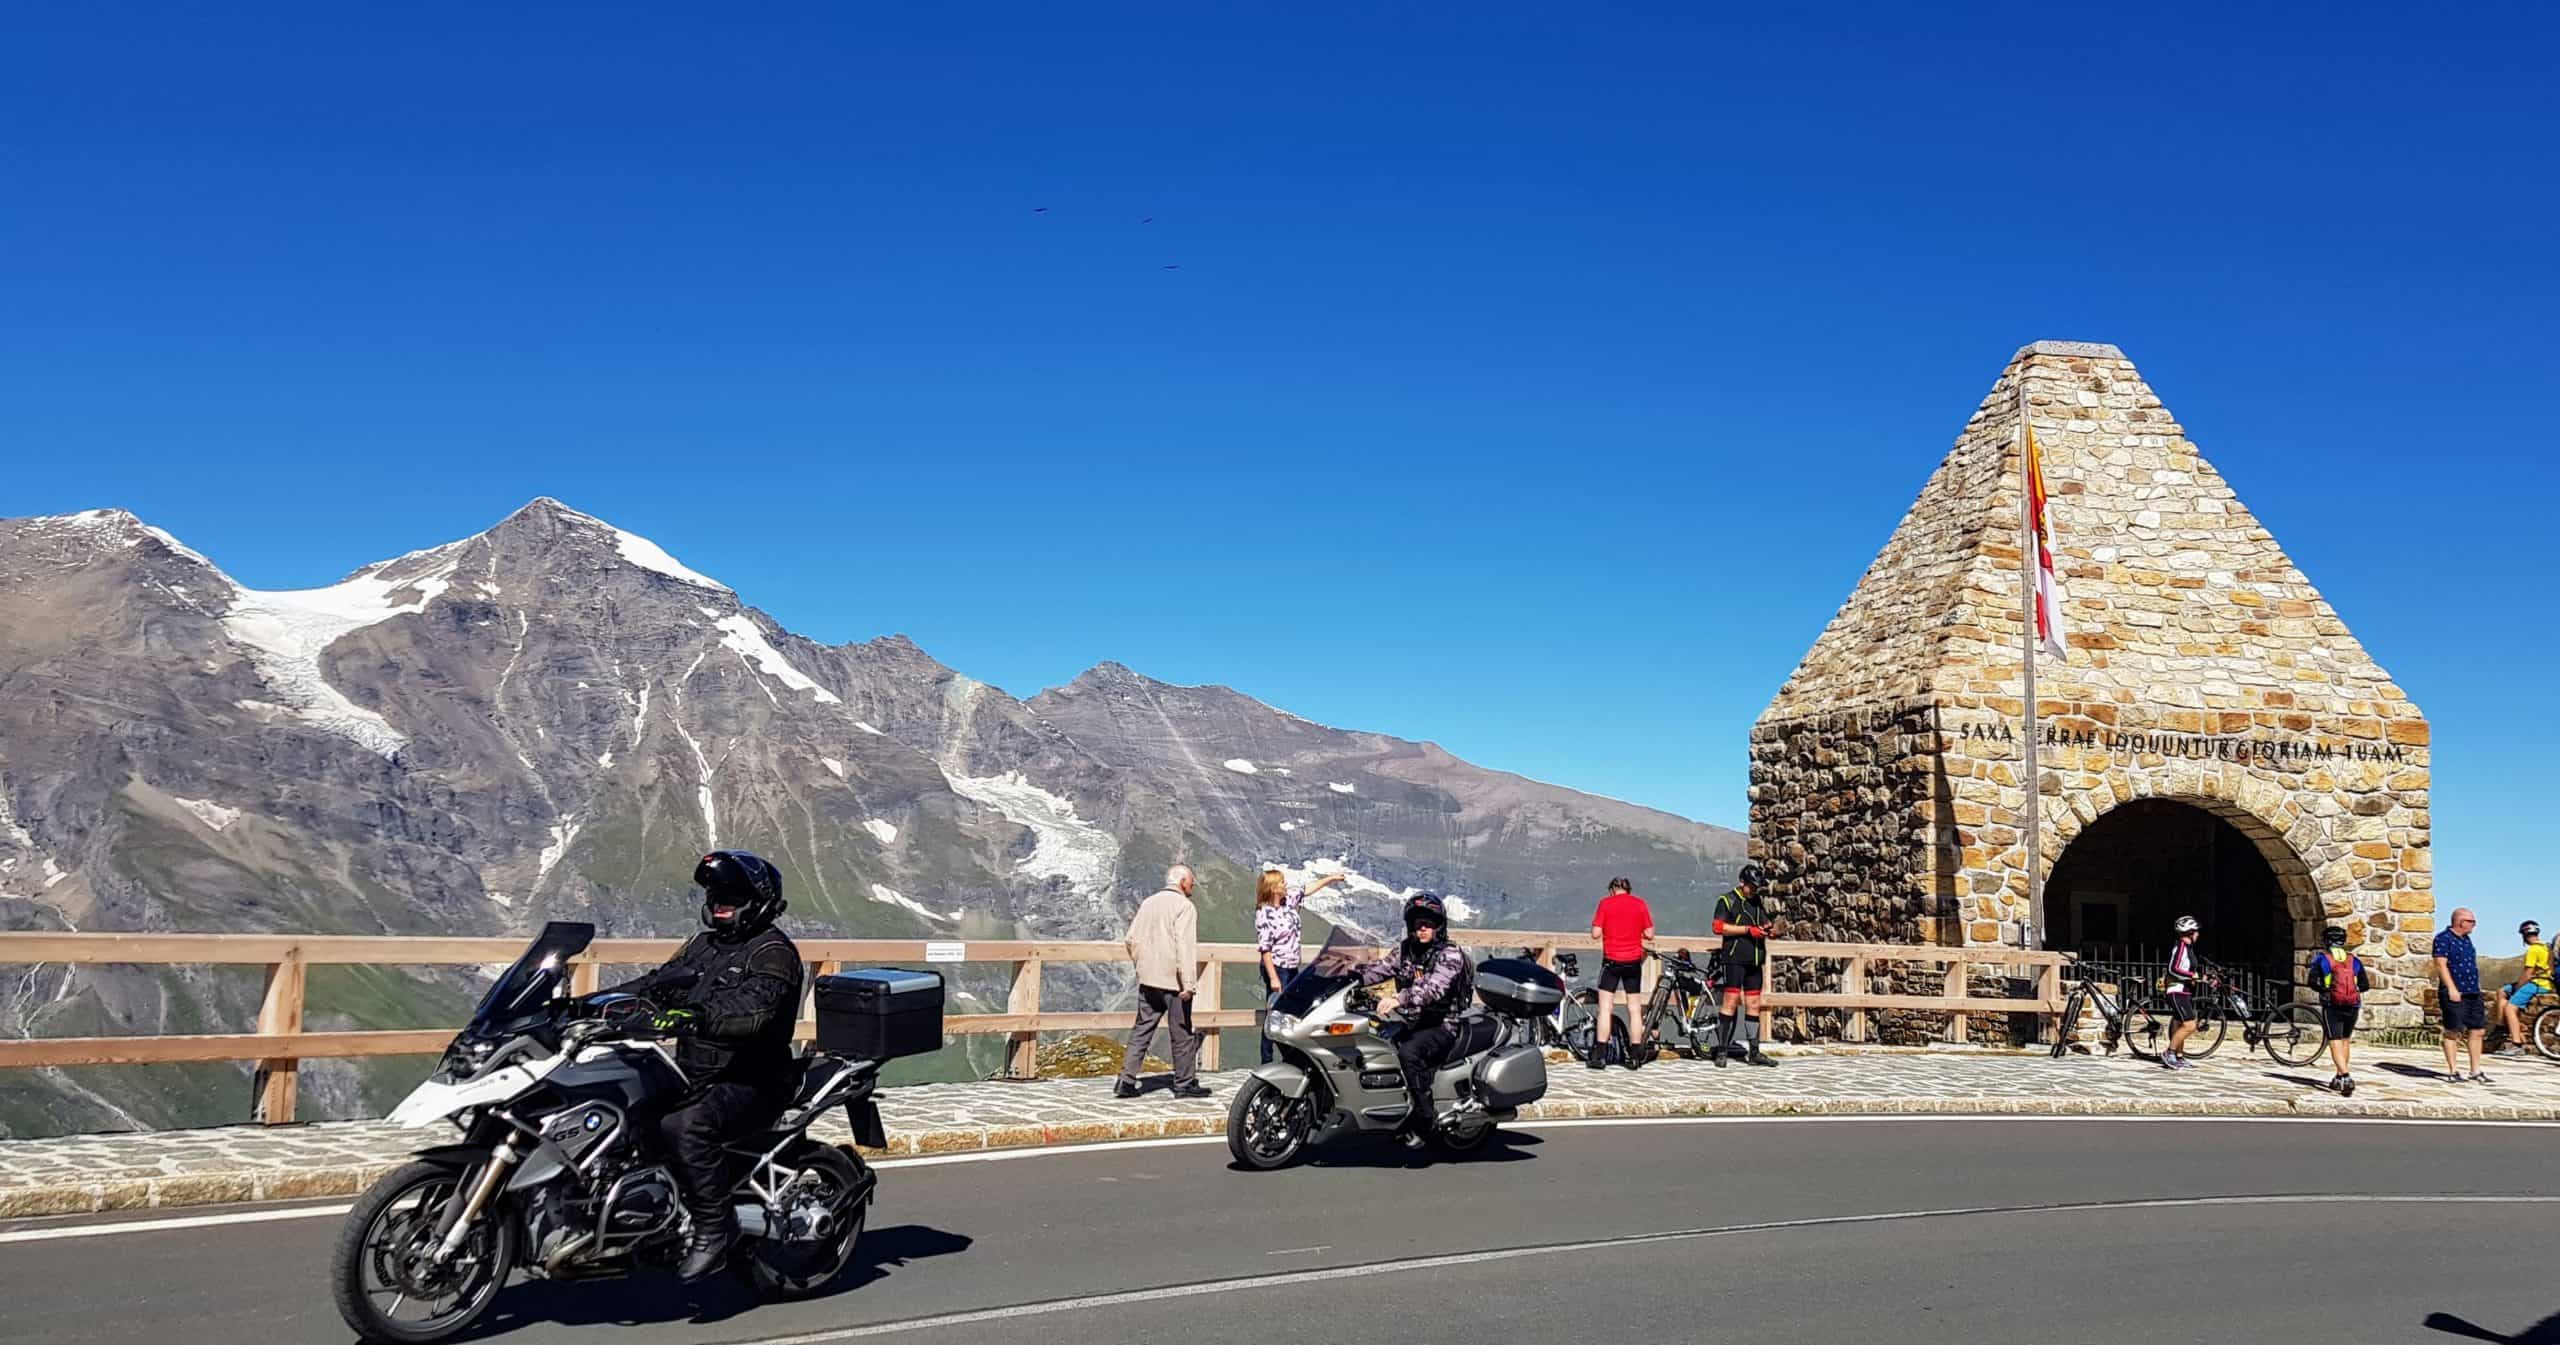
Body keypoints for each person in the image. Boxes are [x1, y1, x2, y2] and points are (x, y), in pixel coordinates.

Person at [602, 850, 803, 1282]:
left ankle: (715, 1228)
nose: (720, 901)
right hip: (695, 1073)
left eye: (732, 893)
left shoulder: (773, 953)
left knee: (682, 1126)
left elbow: (754, 1009)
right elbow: (657, 984)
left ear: (758, 900)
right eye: (716, 893)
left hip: (753, 1078)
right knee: (619, 1107)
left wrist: (696, 1016)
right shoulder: (702, 945)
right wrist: (597, 1004)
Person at [1359, 893, 1473, 1149]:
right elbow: (1381, 969)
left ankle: (1425, 1119)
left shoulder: (1450, 954)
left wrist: (1400, 998)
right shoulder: (1405, 950)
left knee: (1409, 1052)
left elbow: (1434, 988)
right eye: (1417, 923)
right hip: (1413, 1021)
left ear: (1438, 927)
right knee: (1376, 1041)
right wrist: (1351, 977)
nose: (1422, 929)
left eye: (1428, 924)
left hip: (1442, 1025)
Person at [1118, 864, 1209, 1099]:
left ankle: (1126, 1080)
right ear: (1181, 882)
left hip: (1149, 979)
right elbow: (1185, 947)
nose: (1193, 884)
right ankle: (1184, 1083)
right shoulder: (1184, 907)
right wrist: (1188, 984)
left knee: (1142, 1029)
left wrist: (1142, 965)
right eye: (1190, 880)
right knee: (1181, 1032)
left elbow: (1131, 938)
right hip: (1173, 981)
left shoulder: (1149, 903)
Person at [1255, 867, 1347, 1063]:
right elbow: (1265, 949)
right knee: (1276, 1012)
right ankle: (1267, 1059)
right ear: (1272, 888)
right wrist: (1273, 978)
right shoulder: (1265, 913)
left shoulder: (1289, 901)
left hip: (1291, 965)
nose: (1285, 884)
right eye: (1281, 882)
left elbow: (1307, 889)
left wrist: (1330, 877)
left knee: (1292, 1011)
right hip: (1277, 968)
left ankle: (1293, 1056)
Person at [1710, 863, 1777, 1067]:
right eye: (1752, 886)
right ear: (1742, 883)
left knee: (1754, 1004)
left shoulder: (1757, 901)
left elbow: (1763, 922)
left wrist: (1769, 929)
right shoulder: (1727, 901)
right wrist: (1748, 930)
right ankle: (1722, 1050)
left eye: (1757, 887)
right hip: (1734, 958)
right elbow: (1718, 927)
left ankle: (1754, 1051)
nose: (1754, 890)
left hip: (1755, 959)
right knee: (1730, 1001)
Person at [1588, 877, 1656, 1070]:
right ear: (1628, 889)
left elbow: (1595, 933)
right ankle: (1635, 1055)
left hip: (1611, 961)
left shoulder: (1605, 903)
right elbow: (1650, 934)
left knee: (1605, 1008)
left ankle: (1600, 1054)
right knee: (1634, 1009)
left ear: (1612, 890)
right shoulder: (1640, 904)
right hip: (1633, 961)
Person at [2306, 926, 2372, 1096]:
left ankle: (2346, 1075)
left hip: (2332, 1004)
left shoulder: (2323, 959)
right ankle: (2339, 1077)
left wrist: (2326, 990)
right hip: (2353, 1004)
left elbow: (2312, 982)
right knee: (2345, 1040)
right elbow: (2365, 985)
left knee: (2334, 1039)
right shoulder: (2353, 960)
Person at [2434, 907, 2488, 1083]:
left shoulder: (2467, 940)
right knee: (2453, 1030)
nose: (2474, 925)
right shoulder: (2443, 939)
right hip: (2454, 991)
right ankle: (2452, 1070)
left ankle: (2475, 1070)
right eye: (2472, 921)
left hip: (2472, 991)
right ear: (2461, 922)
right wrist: (2451, 988)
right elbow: (2441, 965)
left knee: (2478, 1030)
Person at [2496, 920, 2549, 1057]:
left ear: (2524, 936)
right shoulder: (2546, 947)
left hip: (2537, 984)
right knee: (2502, 992)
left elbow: (2527, 974)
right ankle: (2503, 1027)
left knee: (2510, 1007)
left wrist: (2518, 987)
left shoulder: (2533, 950)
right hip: (2546, 983)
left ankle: (2516, 1043)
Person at [2161, 915, 2203, 1071]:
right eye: (2196, 931)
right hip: (2176, 991)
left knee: (2180, 1025)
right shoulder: (2180, 947)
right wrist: (2191, 975)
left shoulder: (2188, 948)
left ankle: (2179, 1057)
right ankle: (2169, 1053)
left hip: (2183, 991)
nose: (2198, 934)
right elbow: (2173, 968)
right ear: (2189, 932)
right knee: (2190, 1025)